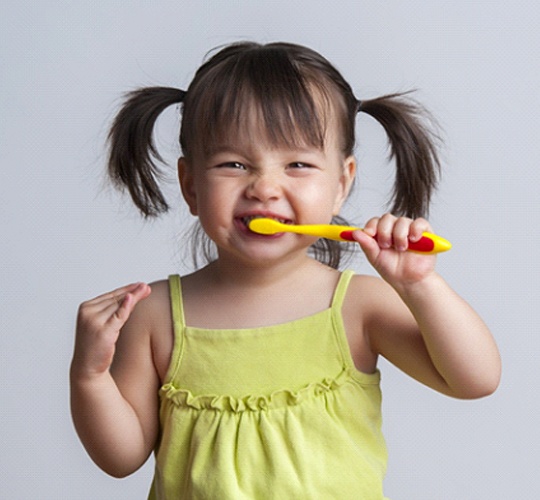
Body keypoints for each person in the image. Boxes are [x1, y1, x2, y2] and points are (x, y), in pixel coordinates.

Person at [70, 42, 501, 499]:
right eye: (233, 164)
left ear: (341, 184)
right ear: (191, 184)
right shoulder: (154, 314)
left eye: (297, 164)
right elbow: (121, 458)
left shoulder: (357, 306)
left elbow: (474, 379)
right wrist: (89, 376)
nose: (265, 188)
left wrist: (420, 285)